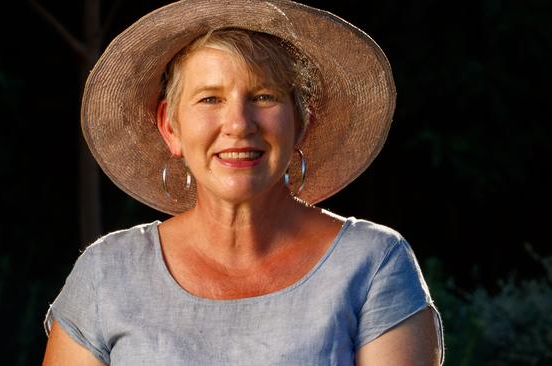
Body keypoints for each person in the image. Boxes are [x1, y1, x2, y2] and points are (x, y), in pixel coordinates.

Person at [42, 0, 444, 365]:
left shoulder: (374, 264)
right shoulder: (106, 273)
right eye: (210, 99)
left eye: (264, 96)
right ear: (170, 126)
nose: (238, 124)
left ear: (302, 122)